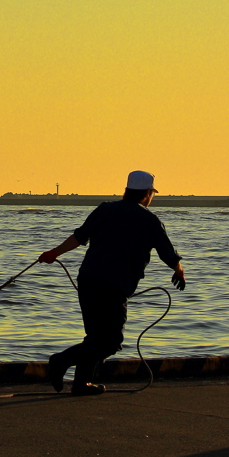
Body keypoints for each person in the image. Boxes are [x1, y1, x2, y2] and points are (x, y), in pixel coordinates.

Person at [39, 170, 185, 396]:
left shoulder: (104, 210)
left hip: (88, 279)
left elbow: (78, 237)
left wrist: (53, 253)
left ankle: (81, 384)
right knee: (111, 342)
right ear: (147, 194)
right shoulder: (149, 220)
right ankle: (60, 361)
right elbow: (167, 254)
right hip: (114, 285)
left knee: (95, 337)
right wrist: (179, 270)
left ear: (126, 191)